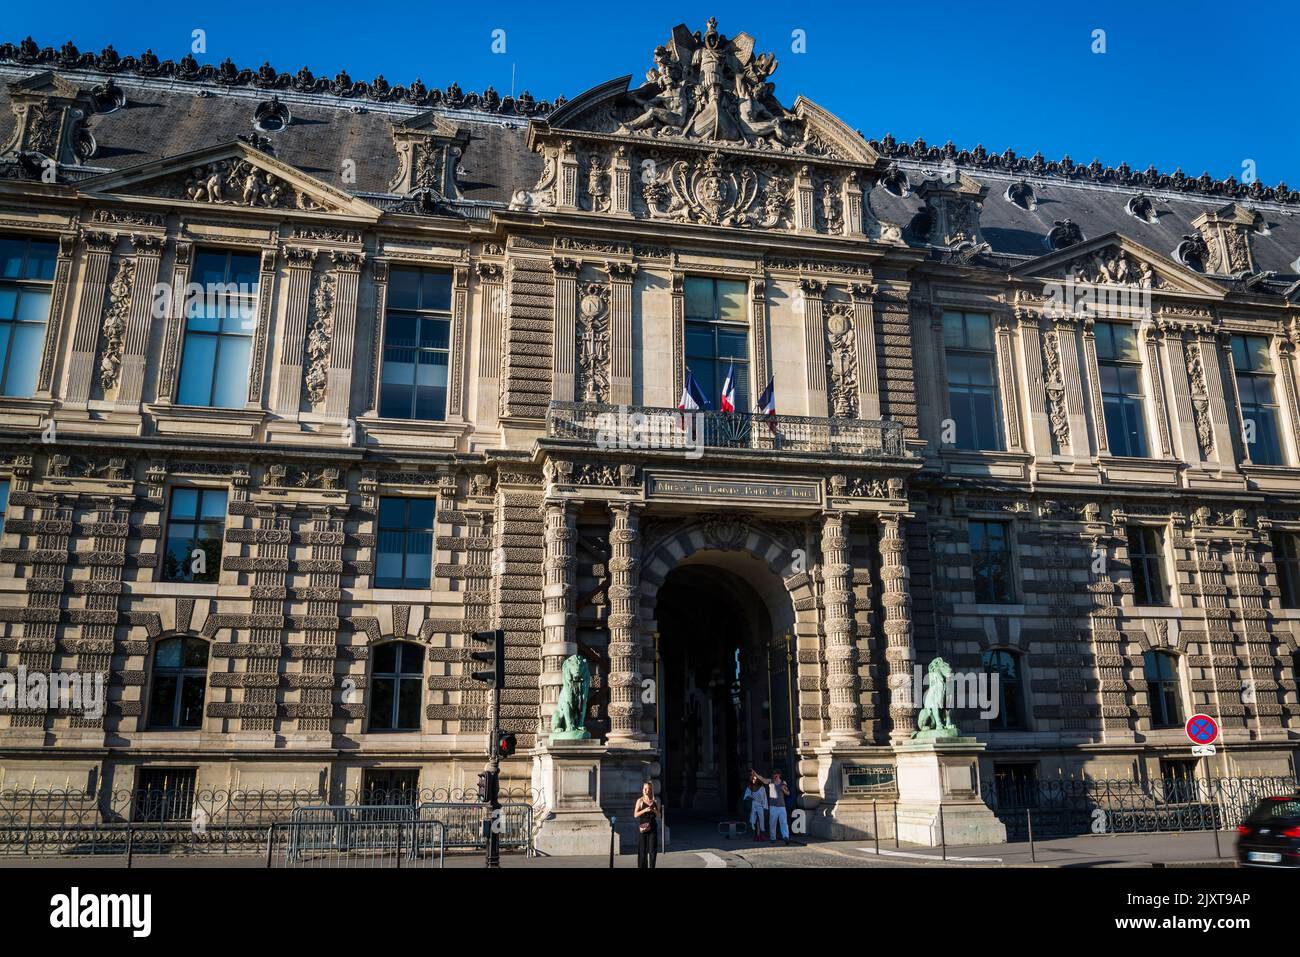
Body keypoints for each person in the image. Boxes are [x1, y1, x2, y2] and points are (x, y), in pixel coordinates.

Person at [634, 781, 660, 868]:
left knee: (652, 850)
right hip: (643, 827)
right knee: (642, 850)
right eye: (644, 788)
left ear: (650, 790)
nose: (645, 790)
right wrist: (644, 810)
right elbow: (635, 815)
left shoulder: (654, 801)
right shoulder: (640, 801)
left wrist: (654, 810)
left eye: (647, 789)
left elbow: (659, 815)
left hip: (652, 827)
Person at [766, 770, 792, 844]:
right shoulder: (770, 781)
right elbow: (763, 779)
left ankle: (786, 837)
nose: (775, 775)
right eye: (774, 774)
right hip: (773, 806)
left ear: (779, 775)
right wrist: (756, 775)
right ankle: (773, 838)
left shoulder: (783, 783)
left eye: (776, 774)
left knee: (784, 822)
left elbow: (788, 793)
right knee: (772, 823)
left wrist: (783, 789)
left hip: (781, 806)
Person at [745, 769, 768, 841]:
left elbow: (765, 799)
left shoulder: (762, 788)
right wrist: (749, 798)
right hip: (753, 806)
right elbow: (746, 796)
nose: (754, 780)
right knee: (754, 821)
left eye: (755, 779)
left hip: (760, 806)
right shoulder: (749, 787)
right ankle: (756, 835)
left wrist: (765, 808)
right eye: (753, 779)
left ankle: (761, 835)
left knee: (760, 820)